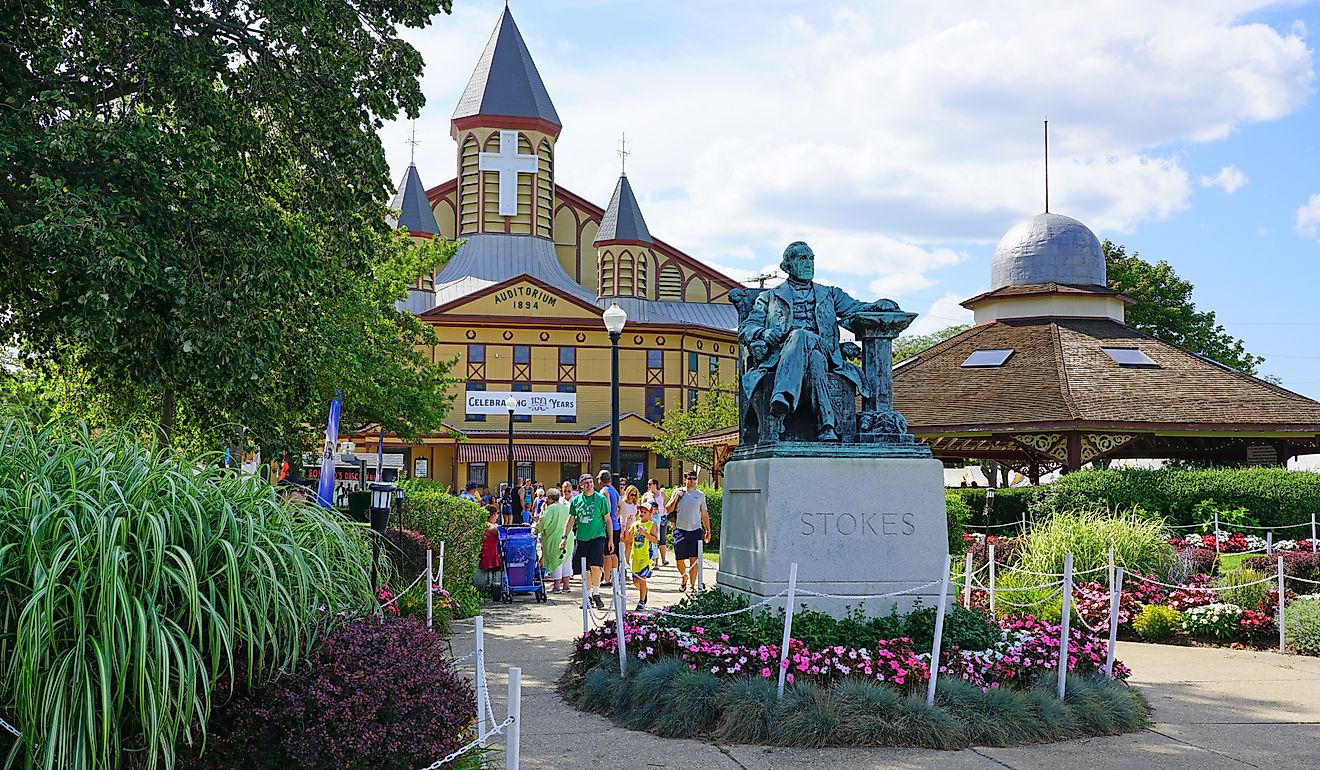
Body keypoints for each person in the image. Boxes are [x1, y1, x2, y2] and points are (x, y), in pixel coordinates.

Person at [563, 474, 612, 609]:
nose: (589, 484)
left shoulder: (601, 499)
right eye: (586, 483)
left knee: (595, 565)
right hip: (582, 538)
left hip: (598, 536)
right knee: (584, 569)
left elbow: (608, 520)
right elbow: (571, 520)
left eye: (591, 482)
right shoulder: (576, 501)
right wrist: (564, 537)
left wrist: (611, 540)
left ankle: (596, 594)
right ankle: (588, 596)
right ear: (581, 486)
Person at [665, 470, 710, 593]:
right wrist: (675, 498)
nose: (691, 481)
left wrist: (708, 530)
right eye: (689, 478)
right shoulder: (678, 492)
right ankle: (684, 577)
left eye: (694, 478)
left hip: (695, 530)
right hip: (680, 531)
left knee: (694, 559)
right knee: (679, 559)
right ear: (685, 479)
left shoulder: (700, 495)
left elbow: (704, 514)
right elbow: (668, 509)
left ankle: (692, 586)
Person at [534, 487, 574, 593]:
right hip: (568, 537)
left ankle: (556, 586)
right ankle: (566, 585)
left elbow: (544, 521)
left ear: (551, 498)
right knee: (566, 561)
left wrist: (537, 529)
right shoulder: (565, 507)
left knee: (556, 561)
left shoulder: (551, 508)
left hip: (555, 538)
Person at [629, 502, 659, 610]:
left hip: (646, 556)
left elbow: (655, 540)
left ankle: (641, 601)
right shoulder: (635, 524)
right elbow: (627, 537)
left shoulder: (652, 524)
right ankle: (644, 590)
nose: (641, 513)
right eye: (641, 511)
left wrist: (645, 533)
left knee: (642, 579)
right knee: (635, 581)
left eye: (644, 512)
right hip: (635, 555)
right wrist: (628, 524)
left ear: (650, 514)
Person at [597, 469, 622, 585]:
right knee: (614, 553)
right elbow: (621, 506)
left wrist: (606, 519)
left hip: (607, 526)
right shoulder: (615, 491)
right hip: (616, 525)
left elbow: (606, 507)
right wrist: (616, 517)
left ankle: (606, 578)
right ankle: (615, 577)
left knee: (607, 553)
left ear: (601, 480)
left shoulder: (604, 491)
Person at [642, 478, 669, 567]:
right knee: (652, 539)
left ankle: (664, 559)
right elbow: (643, 506)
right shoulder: (646, 495)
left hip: (662, 517)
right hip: (651, 519)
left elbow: (666, 504)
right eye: (648, 484)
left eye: (650, 484)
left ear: (655, 484)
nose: (648, 486)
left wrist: (667, 515)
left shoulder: (662, 494)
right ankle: (653, 560)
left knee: (662, 538)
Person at [478, 507, 502, 587]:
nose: (497, 516)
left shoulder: (482, 524)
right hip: (491, 554)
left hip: (484, 552)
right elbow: (500, 535)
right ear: (493, 514)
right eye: (497, 514)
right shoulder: (492, 527)